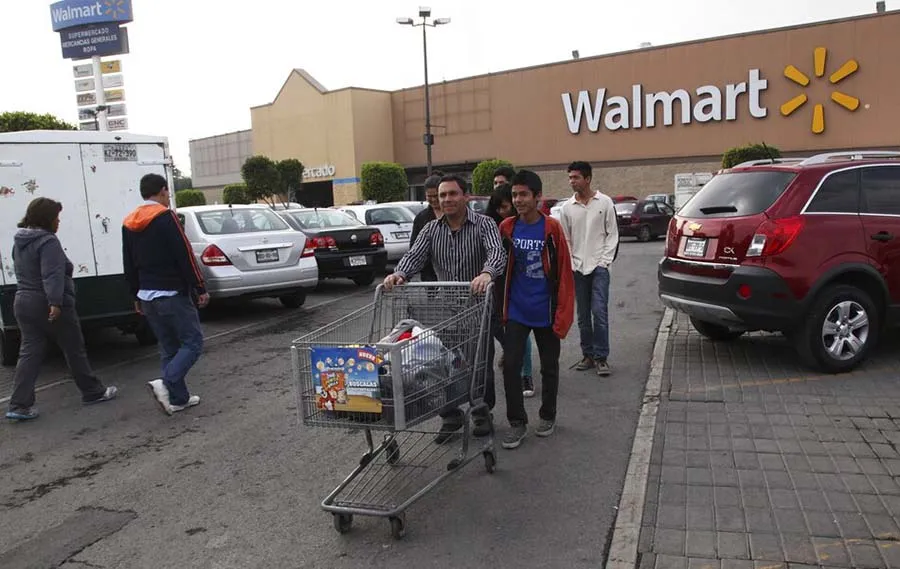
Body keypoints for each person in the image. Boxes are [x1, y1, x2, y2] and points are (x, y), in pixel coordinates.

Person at [383, 174, 507, 443]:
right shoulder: (431, 229)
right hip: (445, 309)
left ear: (466, 196)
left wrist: (487, 273)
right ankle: (450, 415)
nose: (447, 199)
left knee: (478, 364)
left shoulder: (484, 225)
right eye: (442, 195)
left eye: (452, 194)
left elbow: (497, 253)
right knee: (442, 363)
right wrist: (399, 274)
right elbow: (414, 256)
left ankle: (481, 412)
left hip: (478, 308)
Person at [6, 198, 117, 420]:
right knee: (73, 348)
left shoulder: (19, 241)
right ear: (47, 219)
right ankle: (92, 392)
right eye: (56, 217)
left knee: (29, 353)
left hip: (23, 301)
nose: (59, 222)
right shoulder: (48, 242)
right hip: (48, 303)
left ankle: (18, 405)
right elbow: (52, 274)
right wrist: (55, 302)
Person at [498, 170, 574, 449]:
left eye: (523, 194)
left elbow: (564, 273)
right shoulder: (506, 227)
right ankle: (517, 423)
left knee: (549, 368)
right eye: (514, 194)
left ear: (537, 197)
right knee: (510, 366)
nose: (517, 200)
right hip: (517, 310)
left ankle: (548, 415)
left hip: (546, 311)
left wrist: (563, 314)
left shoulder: (551, 228)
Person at [122, 173, 209, 415]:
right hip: (172, 292)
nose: (168, 197)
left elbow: (128, 263)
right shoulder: (166, 217)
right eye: (167, 193)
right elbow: (185, 254)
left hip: (147, 295)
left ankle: (179, 399)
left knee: (169, 347)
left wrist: (135, 296)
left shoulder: (129, 222)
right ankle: (167, 382)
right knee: (192, 342)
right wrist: (199, 287)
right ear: (161, 191)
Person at [558, 161, 618, 377]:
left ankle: (602, 358)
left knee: (599, 312)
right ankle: (588, 355)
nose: (571, 181)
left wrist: (604, 261)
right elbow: (565, 238)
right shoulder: (567, 208)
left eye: (575, 177)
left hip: (599, 267)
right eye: (570, 177)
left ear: (588, 179)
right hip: (578, 268)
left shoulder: (605, 202)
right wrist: (572, 264)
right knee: (583, 314)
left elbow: (612, 234)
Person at [485, 184, 536, 398]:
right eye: (497, 208)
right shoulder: (489, 226)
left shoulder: (519, 227)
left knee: (520, 332)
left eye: (504, 207)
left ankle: (526, 374)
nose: (501, 212)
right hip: (496, 285)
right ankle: (510, 355)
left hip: (517, 285)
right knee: (499, 329)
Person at [408, 171, 444, 282]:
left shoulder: (454, 214)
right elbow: (413, 249)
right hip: (429, 273)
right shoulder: (421, 218)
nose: (433, 199)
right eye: (429, 196)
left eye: (436, 196)